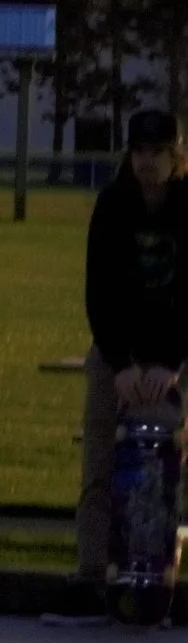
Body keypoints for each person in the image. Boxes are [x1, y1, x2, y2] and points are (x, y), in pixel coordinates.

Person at [77, 105, 187, 584]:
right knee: (100, 459)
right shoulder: (112, 205)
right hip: (118, 350)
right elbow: (98, 291)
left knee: (173, 463)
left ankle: (166, 571)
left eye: (157, 152)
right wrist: (120, 363)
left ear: (176, 157)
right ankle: (92, 571)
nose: (147, 162)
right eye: (139, 151)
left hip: (179, 353)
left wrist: (172, 361)